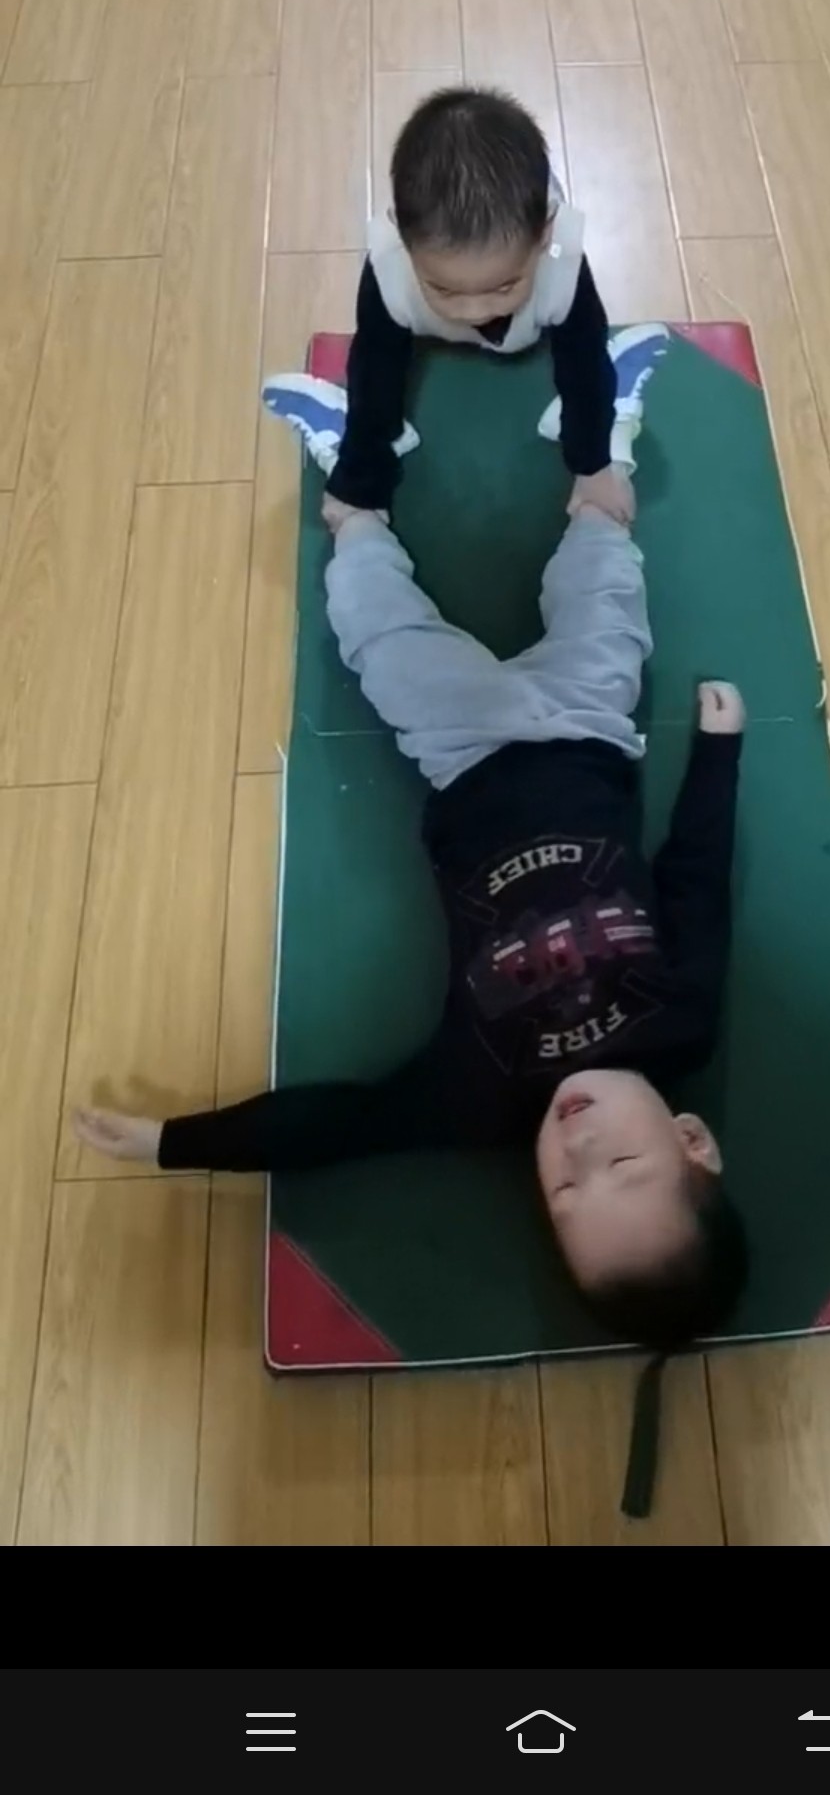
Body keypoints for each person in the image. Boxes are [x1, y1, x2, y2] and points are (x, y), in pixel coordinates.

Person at [76, 383, 748, 1518]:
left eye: (563, 1190)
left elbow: (339, 1126)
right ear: (691, 1140)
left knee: (378, 627)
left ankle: (360, 478)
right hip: (591, 732)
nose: (577, 1145)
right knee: (606, 579)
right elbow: (697, 883)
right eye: (624, 1166)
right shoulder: (683, 1022)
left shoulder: (477, 1096)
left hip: (464, 748)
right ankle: (601, 437)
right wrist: (721, 755)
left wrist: (172, 1141)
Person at [260, 84, 663, 529]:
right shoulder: (388, 267)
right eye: (445, 290)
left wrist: (594, 467)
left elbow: (585, 370)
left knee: (594, 372)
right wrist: (359, 479)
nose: (474, 312)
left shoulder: (560, 263)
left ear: (544, 235)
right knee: (375, 379)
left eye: (504, 286)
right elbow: (373, 374)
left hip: (533, 309)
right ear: (403, 240)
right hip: (416, 326)